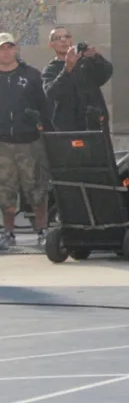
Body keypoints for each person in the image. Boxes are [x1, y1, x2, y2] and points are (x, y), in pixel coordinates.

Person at [0, 32, 50, 249]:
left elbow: (45, 105)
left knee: (37, 189)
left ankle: (43, 230)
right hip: (2, 143)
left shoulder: (31, 75)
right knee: (5, 191)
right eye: (2, 48)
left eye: (9, 47)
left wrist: (40, 124)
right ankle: (8, 233)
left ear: (16, 48)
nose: (6, 51)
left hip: (30, 143)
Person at [41, 27, 113, 133]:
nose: (63, 40)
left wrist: (96, 57)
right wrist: (67, 69)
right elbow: (51, 93)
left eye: (67, 36)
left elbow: (104, 75)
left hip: (95, 124)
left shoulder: (86, 63)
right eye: (58, 38)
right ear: (51, 44)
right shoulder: (50, 70)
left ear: (72, 40)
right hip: (69, 128)